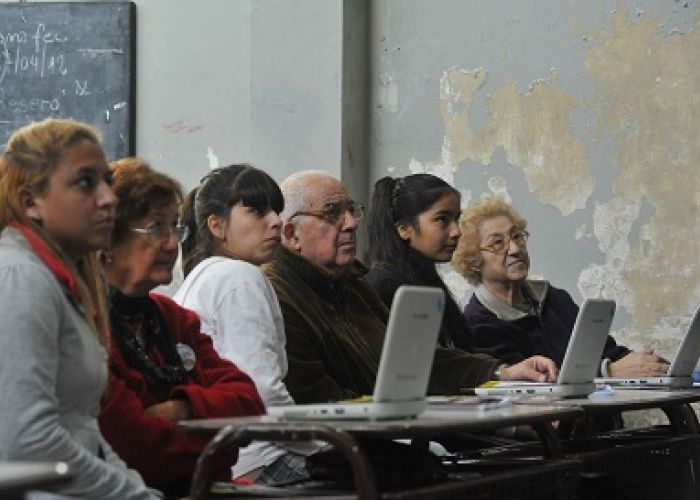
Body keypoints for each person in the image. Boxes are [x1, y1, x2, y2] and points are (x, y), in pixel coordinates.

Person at [265, 171, 557, 405]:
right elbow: (318, 403)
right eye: (332, 212)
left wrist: (502, 372)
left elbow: (418, 359)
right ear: (291, 234)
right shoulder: (277, 298)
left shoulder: (353, 285)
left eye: (351, 210)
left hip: (394, 434)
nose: (352, 223)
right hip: (351, 452)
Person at [0, 118, 157, 499]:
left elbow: (84, 432)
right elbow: (27, 443)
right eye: (85, 183)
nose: (108, 198)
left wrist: (139, 490)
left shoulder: (53, 279)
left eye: (105, 180)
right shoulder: (20, 277)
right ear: (30, 202)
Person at [98, 158, 265, 497]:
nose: (173, 244)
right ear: (108, 240)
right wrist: (217, 445)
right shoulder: (87, 324)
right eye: (157, 228)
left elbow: (249, 403)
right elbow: (138, 450)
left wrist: (181, 408)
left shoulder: (170, 317)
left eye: (176, 228)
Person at [175, 164, 321, 485]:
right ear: (216, 225)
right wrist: (321, 447)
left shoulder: (205, 275)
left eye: (276, 210)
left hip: (230, 456)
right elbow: (262, 390)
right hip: (260, 458)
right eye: (257, 211)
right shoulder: (238, 277)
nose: (276, 221)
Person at [452, 196, 669, 377]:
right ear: (473, 260)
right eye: (497, 243)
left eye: (517, 236)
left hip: (599, 422)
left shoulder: (555, 298)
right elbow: (528, 388)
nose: (515, 248)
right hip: (555, 427)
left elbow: (605, 351)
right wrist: (607, 373)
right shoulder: (477, 322)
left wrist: (649, 365)